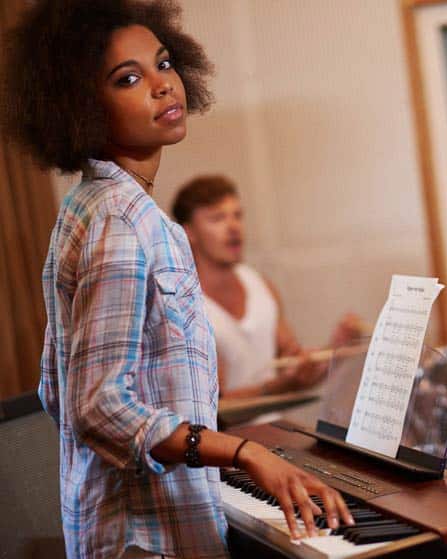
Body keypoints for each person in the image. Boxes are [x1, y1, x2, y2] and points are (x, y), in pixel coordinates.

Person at [0, 1, 352, 557]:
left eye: (164, 64)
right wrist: (245, 454)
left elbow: (55, 387)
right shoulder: (119, 222)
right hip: (145, 539)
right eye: (129, 78)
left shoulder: (93, 208)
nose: (164, 86)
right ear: (80, 105)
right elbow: (97, 406)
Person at [172, 175, 364, 399]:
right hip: (224, 434)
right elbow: (211, 406)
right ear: (189, 232)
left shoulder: (261, 286)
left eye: (237, 215)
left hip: (272, 431)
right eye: (217, 218)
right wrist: (281, 385)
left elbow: (296, 375)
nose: (233, 226)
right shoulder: (183, 303)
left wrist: (337, 349)